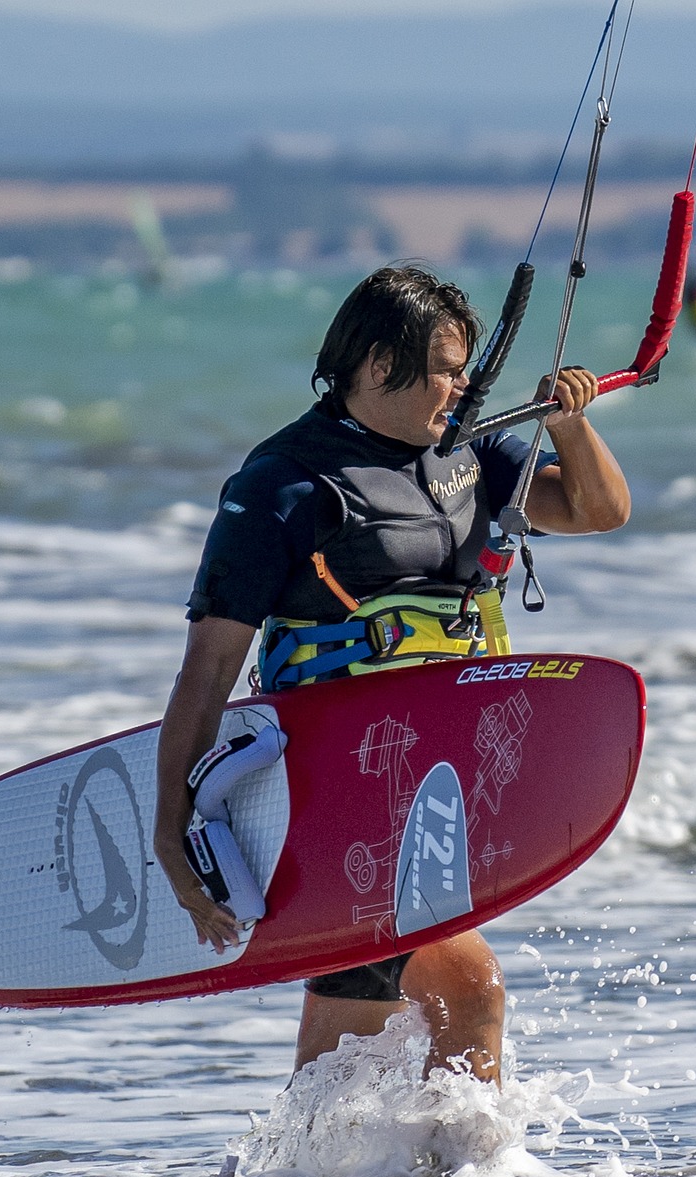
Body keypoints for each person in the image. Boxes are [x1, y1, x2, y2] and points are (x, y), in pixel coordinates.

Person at [151, 265, 631, 1085]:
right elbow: (207, 674)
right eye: (448, 368)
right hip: (336, 786)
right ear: (378, 364)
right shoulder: (283, 485)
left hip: (442, 779)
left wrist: (573, 427)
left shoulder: (472, 455)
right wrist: (174, 832)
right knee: (467, 988)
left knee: (352, 1046)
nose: (464, 387)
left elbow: (597, 510)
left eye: (467, 369)